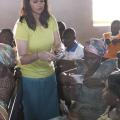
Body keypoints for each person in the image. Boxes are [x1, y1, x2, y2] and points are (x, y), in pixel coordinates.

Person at [13, 0, 64, 120]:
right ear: (27, 3)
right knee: (34, 114)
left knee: (51, 113)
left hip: (49, 75)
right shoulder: (22, 24)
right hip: (30, 79)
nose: (40, 4)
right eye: (35, 2)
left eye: (42, 1)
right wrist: (38, 55)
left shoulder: (51, 19)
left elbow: (58, 43)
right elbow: (22, 59)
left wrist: (59, 51)